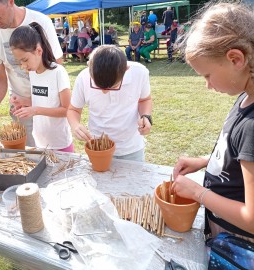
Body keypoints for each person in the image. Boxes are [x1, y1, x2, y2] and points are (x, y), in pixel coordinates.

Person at [172, 2, 254, 243]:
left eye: (207, 75)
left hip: (237, 242)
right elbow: (241, 157)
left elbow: (251, 218)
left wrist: (198, 192)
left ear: (236, 59)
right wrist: (205, 162)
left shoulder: (251, 126)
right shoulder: (244, 97)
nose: (207, 85)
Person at [0, 0, 63, 147]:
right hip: (20, 108)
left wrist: (34, 102)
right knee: (30, 154)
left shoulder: (41, 21)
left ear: (10, 2)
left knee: (53, 151)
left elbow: (56, 71)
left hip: (48, 105)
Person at [67, 45, 152, 161]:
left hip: (131, 147)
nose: (104, 91)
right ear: (89, 66)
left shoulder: (140, 73)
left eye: (113, 86)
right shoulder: (83, 77)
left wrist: (146, 116)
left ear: (126, 69)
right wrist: (75, 125)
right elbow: (73, 110)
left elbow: (144, 99)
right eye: (98, 85)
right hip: (98, 146)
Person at [9, 22, 74, 152]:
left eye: (25, 60)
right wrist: (24, 102)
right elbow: (43, 101)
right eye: (20, 62)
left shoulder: (58, 72)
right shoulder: (33, 73)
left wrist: (36, 110)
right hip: (40, 142)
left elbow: (67, 110)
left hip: (60, 144)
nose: (23, 66)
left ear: (38, 51)